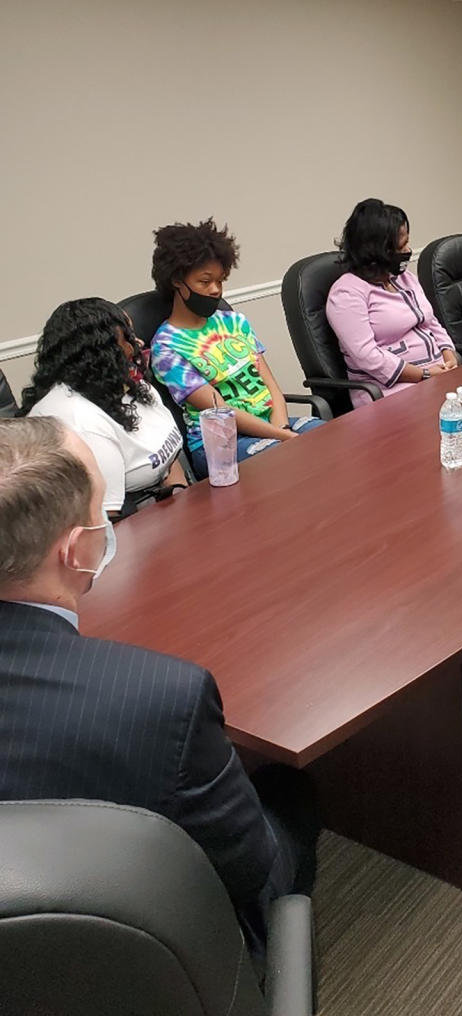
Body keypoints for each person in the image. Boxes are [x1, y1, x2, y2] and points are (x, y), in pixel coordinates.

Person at [0, 417, 320, 956]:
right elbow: (249, 869)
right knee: (293, 790)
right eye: (102, 512)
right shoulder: (164, 697)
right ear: (77, 550)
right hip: (148, 957)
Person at [150, 218, 322, 475]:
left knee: (328, 436)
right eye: (204, 281)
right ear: (177, 280)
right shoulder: (166, 347)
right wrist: (282, 439)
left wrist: (283, 429)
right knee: (286, 464)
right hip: (219, 443)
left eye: (220, 281)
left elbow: (270, 385)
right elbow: (220, 409)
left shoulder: (233, 322)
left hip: (271, 427)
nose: (215, 290)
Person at [21, 297, 186, 518]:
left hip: (167, 510)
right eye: (126, 339)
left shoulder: (128, 385)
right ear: (96, 355)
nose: (137, 344)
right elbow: (107, 526)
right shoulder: (80, 421)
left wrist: (185, 503)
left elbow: (170, 458)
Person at [326, 199, 458, 408]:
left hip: (436, 375)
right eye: (401, 245)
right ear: (377, 250)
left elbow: (431, 322)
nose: (408, 249)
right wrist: (424, 374)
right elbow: (367, 356)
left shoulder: (404, 278)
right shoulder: (346, 293)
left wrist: (449, 356)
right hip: (389, 391)